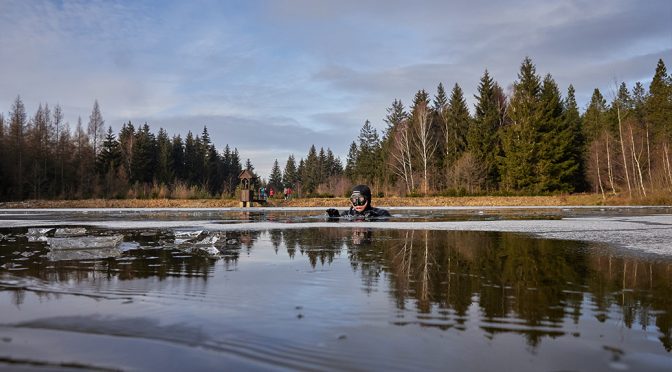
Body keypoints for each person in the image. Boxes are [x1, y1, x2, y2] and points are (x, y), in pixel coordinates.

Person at [326, 184, 391, 219]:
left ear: (368, 199)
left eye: (361, 199)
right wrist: (335, 217)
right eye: (354, 199)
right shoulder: (346, 214)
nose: (357, 204)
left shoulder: (382, 213)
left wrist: (375, 217)